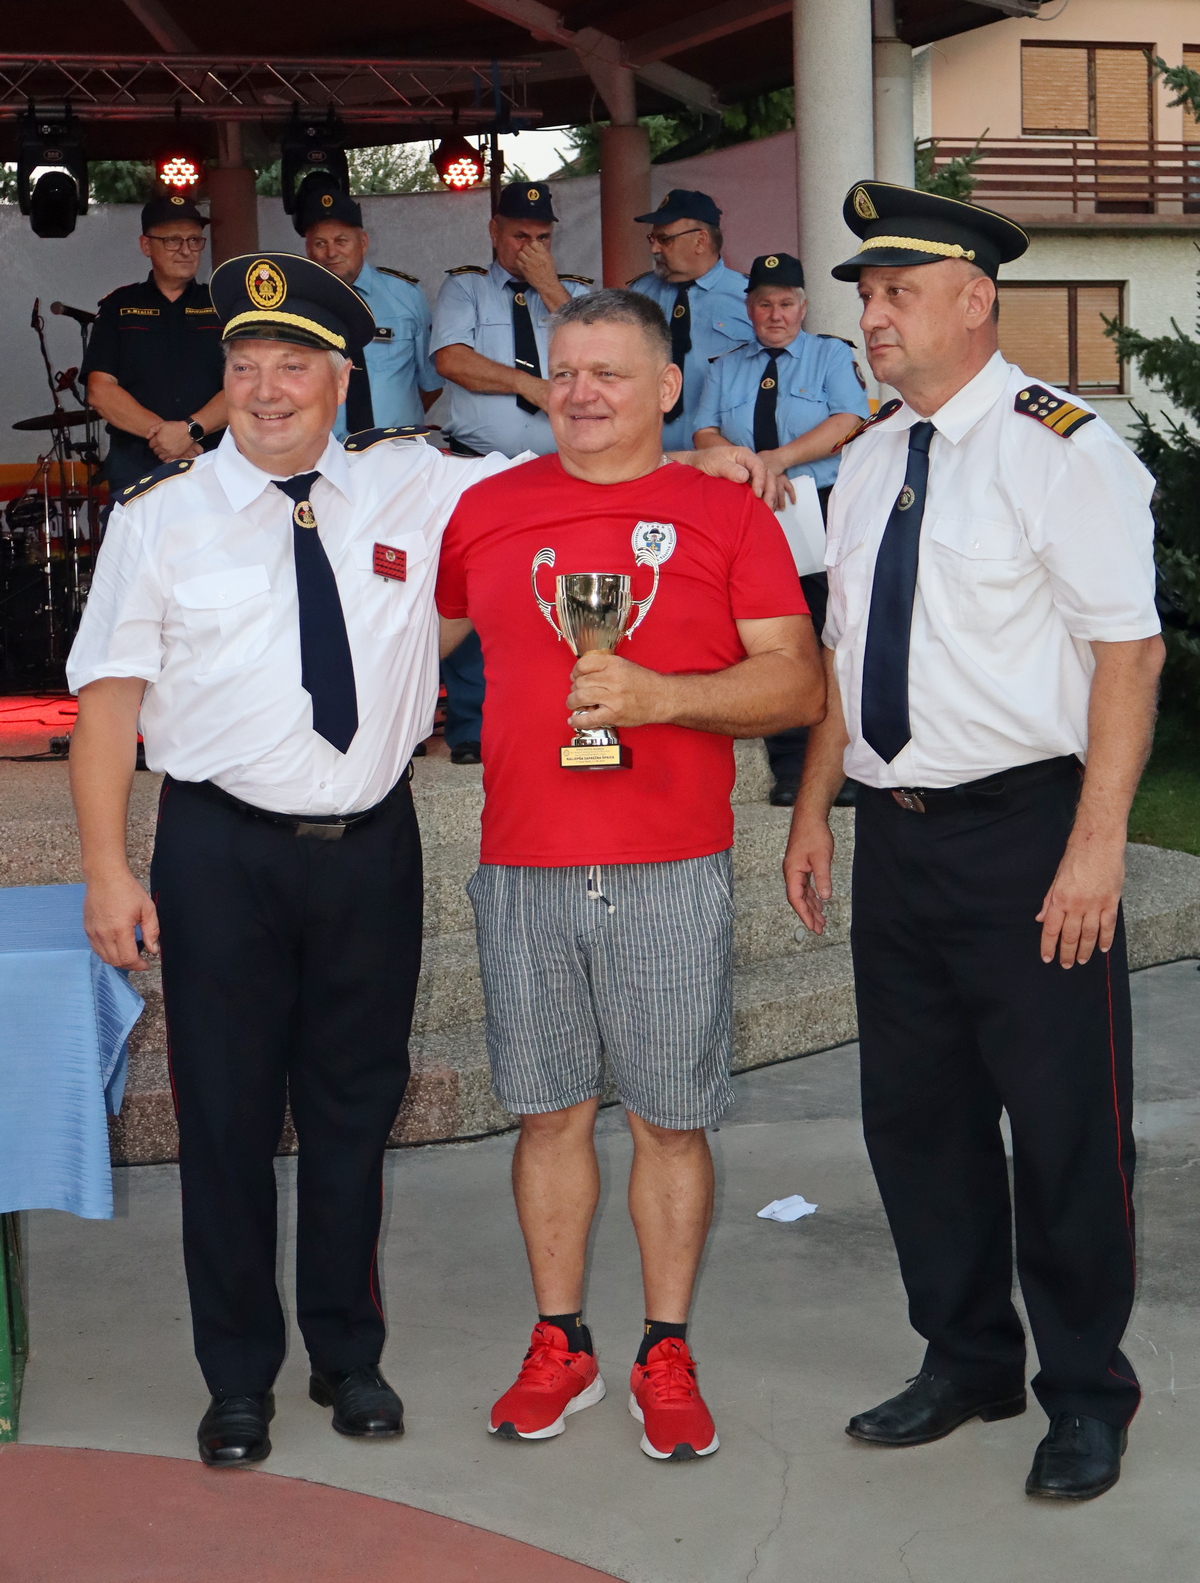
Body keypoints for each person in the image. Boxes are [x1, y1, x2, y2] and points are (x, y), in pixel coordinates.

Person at [66, 252, 777, 1470]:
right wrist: (104, 866)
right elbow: (108, 703)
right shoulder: (159, 518)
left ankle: (350, 1355)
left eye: (294, 365)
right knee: (225, 1119)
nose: (267, 389)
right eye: (246, 365)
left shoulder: (421, 484)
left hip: (369, 848)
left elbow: (585, 465)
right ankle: (238, 1376)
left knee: (355, 1111)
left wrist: (706, 454)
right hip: (219, 848)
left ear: (342, 379)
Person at [783, 183, 1164, 1502]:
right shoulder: (870, 458)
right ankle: (967, 1356)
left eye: (897, 292)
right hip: (897, 840)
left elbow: (1129, 653)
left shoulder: (1063, 448)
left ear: (975, 298)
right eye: (867, 296)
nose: (873, 316)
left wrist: (1096, 847)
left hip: (1027, 833)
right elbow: (848, 655)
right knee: (919, 1121)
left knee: (1064, 1126)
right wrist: (815, 805)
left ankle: (1087, 1390)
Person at [436, 289, 825, 1463]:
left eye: (608, 371)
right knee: (547, 1112)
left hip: (670, 865)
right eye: (564, 371)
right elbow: (406, 644)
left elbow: (798, 681)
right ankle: (561, 1342)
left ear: (665, 388)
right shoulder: (485, 508)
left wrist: (662, 697)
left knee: (669, 1117)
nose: (581, 392)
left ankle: (665, 1346)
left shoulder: (724, 511)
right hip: (525, 862)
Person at [694, 251, 870, 805]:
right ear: (748, 308)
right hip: (752, 510)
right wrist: (752, 469)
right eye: (765, 303)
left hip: (822, 508)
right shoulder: (725, 366)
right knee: (771, 636)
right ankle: (791, 767)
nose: (776, 315)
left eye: (787, 303)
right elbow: (703, 433)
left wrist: (778, 460)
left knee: (834, 631)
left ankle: (844, 763)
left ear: (803, 306)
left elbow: (849, 421)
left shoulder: (830, 355)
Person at [431, 181, 593, 766]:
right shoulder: (467, 288)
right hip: (480, 467)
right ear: (494, 232)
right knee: (474, 590)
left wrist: (550, 287)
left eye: (542, 238)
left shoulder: (575, 296)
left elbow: (599, 349)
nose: (531, 248)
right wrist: (529, 384)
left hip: (561, 468)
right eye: (520, 236)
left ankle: (562, 712)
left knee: (563, 590)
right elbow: (451, 359)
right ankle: (472, 727)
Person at [82, 194, 226, 498]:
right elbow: (100, 390)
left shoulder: (222, 306)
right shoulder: (119, 306)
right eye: (172, 240)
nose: (186, 250)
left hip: (212, 456)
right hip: (136, 462)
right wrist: (168, 438)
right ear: (146, 245)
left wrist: (189, 431)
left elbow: (246, 383)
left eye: (194, 240)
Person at [297, 184, 442, 441]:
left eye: (341, 241)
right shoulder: (297, 307)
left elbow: (430, 383)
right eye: (320, 243)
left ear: (363, 243)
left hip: (397, 449)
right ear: (308, 250)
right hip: (326, 451)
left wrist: (396, 424)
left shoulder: (406, 295)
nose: (331, 252)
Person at [627, 189, 752, 454]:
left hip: (721, 454)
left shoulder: (749, 298)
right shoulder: (639, 294)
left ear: (700, 240)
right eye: (652, 238)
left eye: (664, 239)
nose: (654, 248)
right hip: (647, 454)